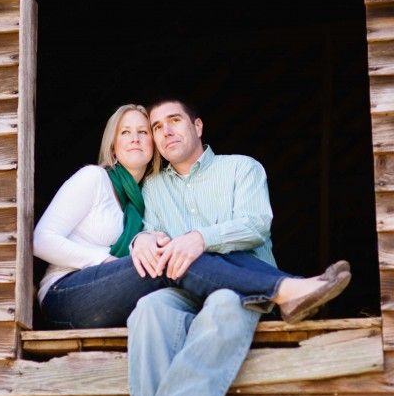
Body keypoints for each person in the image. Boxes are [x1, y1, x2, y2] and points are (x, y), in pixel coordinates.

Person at [125, 98, 351, 396]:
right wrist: (140, 241)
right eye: (157, 126)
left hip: (240, 288)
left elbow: (255, 225)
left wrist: (201, 238)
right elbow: (151, 234)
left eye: (175, 121)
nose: (166, 131)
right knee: (149, 308)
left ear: (198, 126)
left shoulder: (241, 168)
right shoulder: (152, 188)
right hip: (184, 289)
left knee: (226, 303)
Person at [33, 104, 350, 331]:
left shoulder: (144, 198)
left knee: (188, 250)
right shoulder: (94, 179)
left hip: (110, 299)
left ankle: (289, 288)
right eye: (125, 132)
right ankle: (286, 290)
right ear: (113, 146)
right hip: (65, 296)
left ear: (155, 144)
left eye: (144, 131)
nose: (135, 138)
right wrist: (104, 261)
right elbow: (41, 240)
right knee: (175, 257)